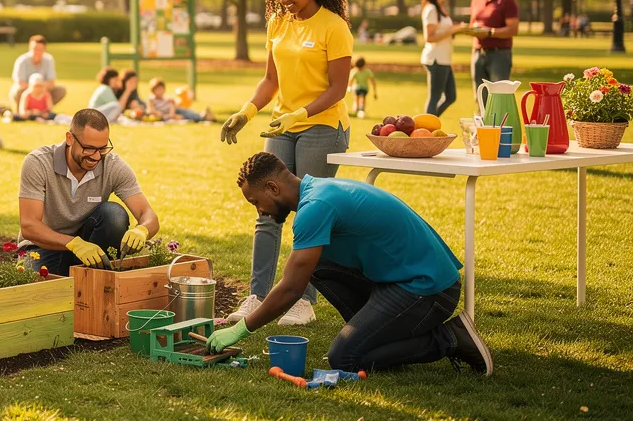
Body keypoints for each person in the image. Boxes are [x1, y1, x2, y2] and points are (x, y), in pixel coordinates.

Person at [205, 152, 493, 376]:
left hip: (428, 290)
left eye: (257, 202)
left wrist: (242, 328)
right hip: (400, 281)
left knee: (344, 358)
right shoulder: (317, 189)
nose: (260, 211)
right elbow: (300, 275)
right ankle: (374, 337)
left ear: (272, 187)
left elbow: (292, 288)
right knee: (316, 266)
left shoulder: (315, 208)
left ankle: (452, 338)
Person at [219, 0, 354, 327]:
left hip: (323, 127)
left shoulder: (333, 26)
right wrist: (247, 112)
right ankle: (258, 296)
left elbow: (337, 89)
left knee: (309, 214)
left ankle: (303, 300)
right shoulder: (278, 24)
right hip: (282, 126)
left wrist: (300, 114)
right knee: (266, 211)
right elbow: (270, 80)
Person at [17, 109, 160, 276]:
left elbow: (148, 214)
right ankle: (84, 277)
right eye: (89, 148)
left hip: (92, 249)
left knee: (113, 215)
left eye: (102, 148)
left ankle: (95, 277)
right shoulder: (39, 163)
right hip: (44, 248)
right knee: (39, 294)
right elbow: (29, 226)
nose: (96, 157)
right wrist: (74, 244)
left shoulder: (113, 166)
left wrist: (142, 230)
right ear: (70, 138)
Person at [466, 0, 519, 107]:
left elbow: (513, 29)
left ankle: (500, 129)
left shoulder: (507, 1)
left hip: (499, 55)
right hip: (478, 54)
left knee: (499, 97)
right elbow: (472, 25)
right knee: (480, 99)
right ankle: (482, 129)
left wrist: (489, 32)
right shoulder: (476, 0)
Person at [420, 0, 461, 117]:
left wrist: (457, 29)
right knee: (434, 98)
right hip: (436, 59)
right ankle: (426, 131)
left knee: (451, 96)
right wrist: (452, 30)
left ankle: (430, 122)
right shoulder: (431, 9)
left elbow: (443, 30)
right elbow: (429, 37)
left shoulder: (440, 8)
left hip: (444, 59)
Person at [9, 35, 66, 108]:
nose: (36, 52)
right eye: (34, 49)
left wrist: (40, 89)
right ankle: (22, 108)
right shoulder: (22, 60)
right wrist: (34, 89)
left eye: (39, 49)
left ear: (44, 50)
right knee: (17, 91)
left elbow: (51, 83)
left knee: (60, 90)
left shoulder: (49, 60)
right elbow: (20, 83)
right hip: (26, 92)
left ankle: (44, 108)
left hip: (43, 92)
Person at [147, 78, 212, 122]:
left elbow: (172, 105)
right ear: (153, 90)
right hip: (168, 114)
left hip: (174, 110)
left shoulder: (164, 98)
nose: (160, 91)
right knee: (186, 115)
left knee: (186, 111)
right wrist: (168, 115)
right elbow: (151, 110)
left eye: (161, 89)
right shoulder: (152, 99)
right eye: (157, 89)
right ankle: (202, 117)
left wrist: (172, 106)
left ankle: (202, 115)